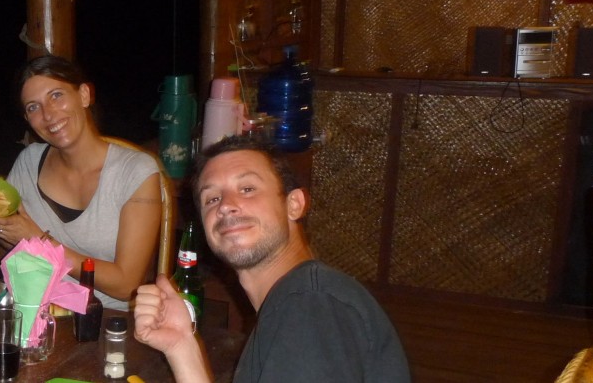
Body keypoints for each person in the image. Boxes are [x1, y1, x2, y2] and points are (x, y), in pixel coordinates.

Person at [132, 135, 410, 382]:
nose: (226, 206)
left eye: (247, 189)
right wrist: (181, 345)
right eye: (212, 199)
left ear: (294, 205)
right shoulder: (294, 303)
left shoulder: (309, 306)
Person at [0, 55, 162, 311]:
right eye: (33, 107)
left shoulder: (136, 171)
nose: (48, 114)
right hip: (36, 311)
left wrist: (41, 241)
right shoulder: (28, 162)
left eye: (56, 95)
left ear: (84, 95)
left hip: (105, 317)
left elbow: (125, 285)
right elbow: (17, 242)